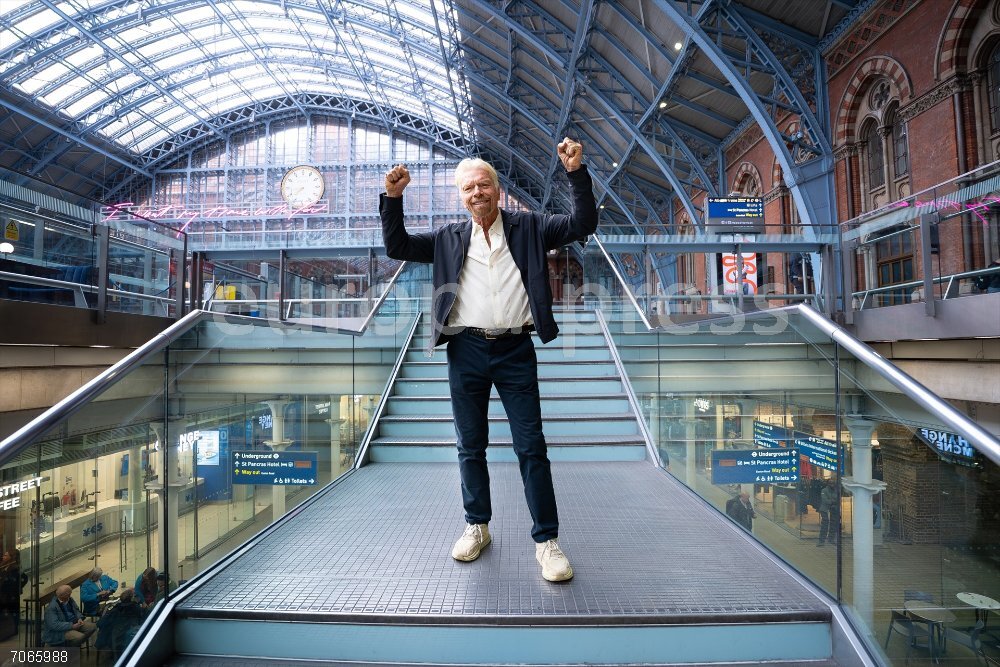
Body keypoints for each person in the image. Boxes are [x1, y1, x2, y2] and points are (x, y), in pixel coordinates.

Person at [380, 137, 597, 582]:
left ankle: (547, 541)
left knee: (531, 446)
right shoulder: (447, 238)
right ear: (460, 196)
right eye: (468, 188)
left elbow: (583, 222)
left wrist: (575, 173)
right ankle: (476, 525)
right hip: (466, 350)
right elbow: (397, 246)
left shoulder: (531, 227)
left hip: (516, 349)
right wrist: (394, 198)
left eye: (483, 185)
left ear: (497, 190)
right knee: (470, 445)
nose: (476, 192)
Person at [94, 587, 144, 658]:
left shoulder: (115, 610)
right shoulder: (137, 608)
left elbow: (100, 623)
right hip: (131, 641)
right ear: (132, 598)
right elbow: (142, 620)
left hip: (114, 642)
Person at [0, 549, 26, 634]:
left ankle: (13, 629)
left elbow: (24, 579)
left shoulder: (15, 569)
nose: (3, 557)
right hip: (5, 595)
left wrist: (15, 589)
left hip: (11, 596)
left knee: (12, 612)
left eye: (5, 555)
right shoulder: (4, 567)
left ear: (11, 558)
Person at [817, 478, 840, 546]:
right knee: (825, 524)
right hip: (825, 509)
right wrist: (832, 501)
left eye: (833, 483)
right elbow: (825, 500)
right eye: (830, 483)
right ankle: (821, 541)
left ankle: (831, 539)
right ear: (827, 484)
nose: (832, 484)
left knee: (833, 524)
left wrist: (832, 501)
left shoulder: (836, 490)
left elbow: (838, 499)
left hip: (833, 509)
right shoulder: (824, 490)